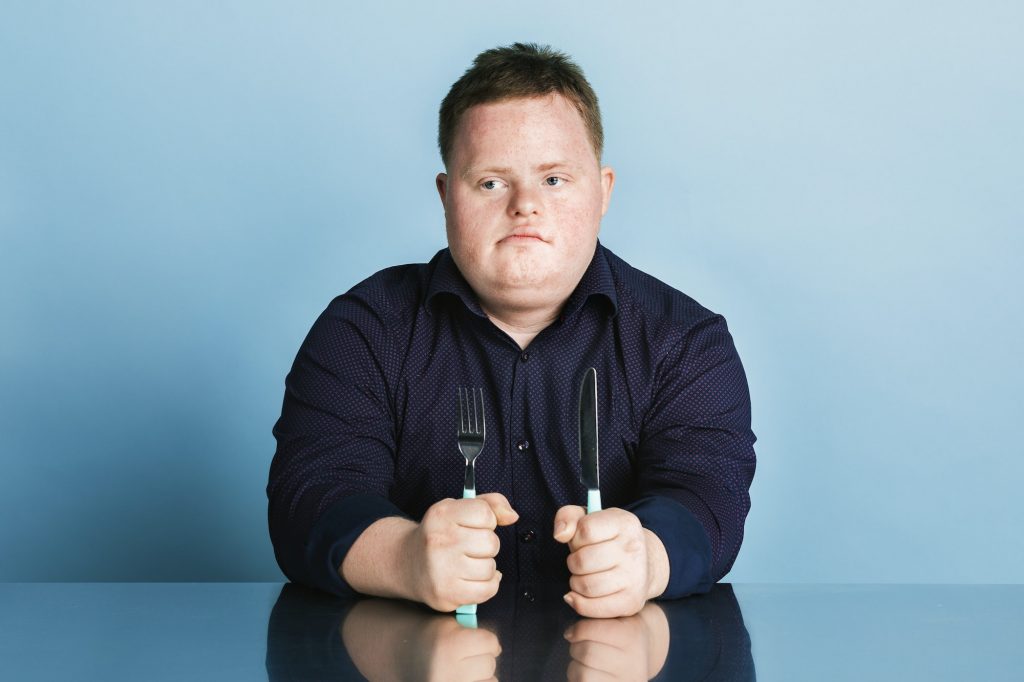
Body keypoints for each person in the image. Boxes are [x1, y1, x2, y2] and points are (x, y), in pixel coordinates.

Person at [268, 43, 756, 619]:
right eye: (492, 183)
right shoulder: (363, 331)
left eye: (553, 179)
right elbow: (310, 498)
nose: (526, 206)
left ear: (602, 192)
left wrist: (646, 557)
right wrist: (404, 557)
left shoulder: (684, 340)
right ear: (448, 196)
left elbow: (708, 494)